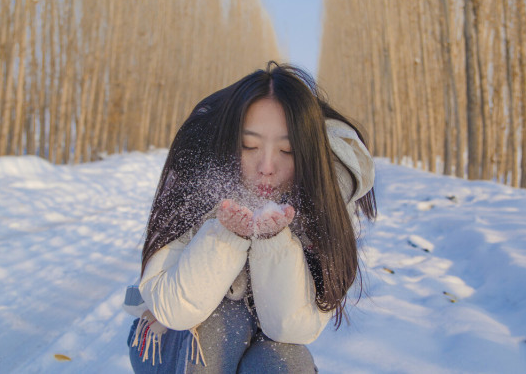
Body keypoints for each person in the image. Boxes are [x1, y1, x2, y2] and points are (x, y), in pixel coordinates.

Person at [124, 62, 376, 373]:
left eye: (288, 151)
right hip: (169, 341)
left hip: (267, 344)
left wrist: (274, 242)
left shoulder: (326, 199)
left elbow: (293, 328)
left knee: (285, 362)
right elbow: (173, 309)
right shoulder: (204, 180)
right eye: (249, 146)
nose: (267, 166)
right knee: (225, 322)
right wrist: (225, 235)